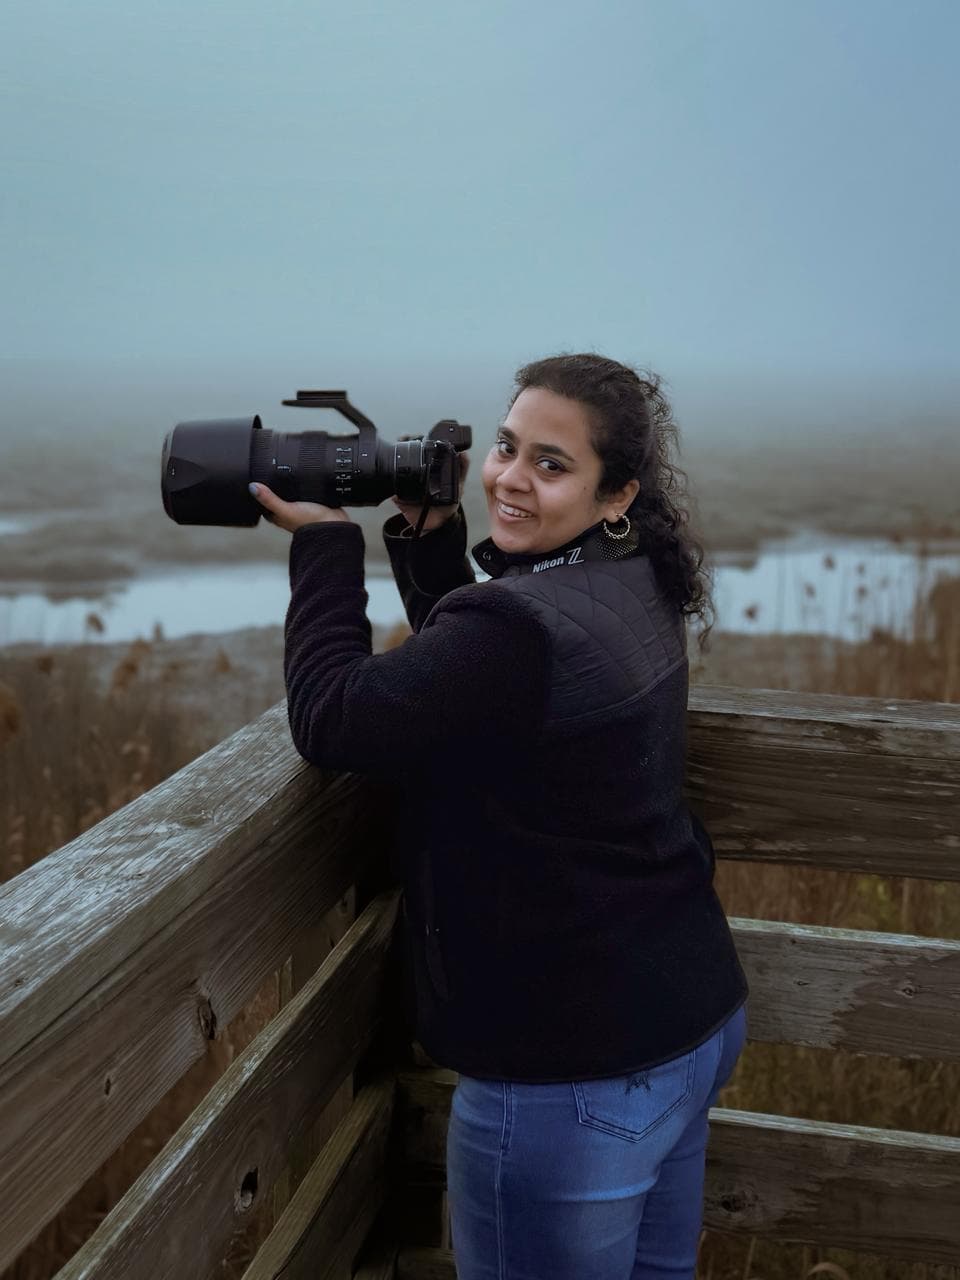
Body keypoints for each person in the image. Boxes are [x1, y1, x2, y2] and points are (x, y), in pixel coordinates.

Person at [250, 352, 748, 1280]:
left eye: (551, 465)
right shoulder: (632, 578)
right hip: (685, 1024)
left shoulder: (518, 630)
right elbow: (485, 689)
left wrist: (324, 544)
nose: (512, 478)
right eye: (507, 448)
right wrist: (433, 545)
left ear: (616, 493)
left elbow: (336, 718)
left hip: (572, 1071)